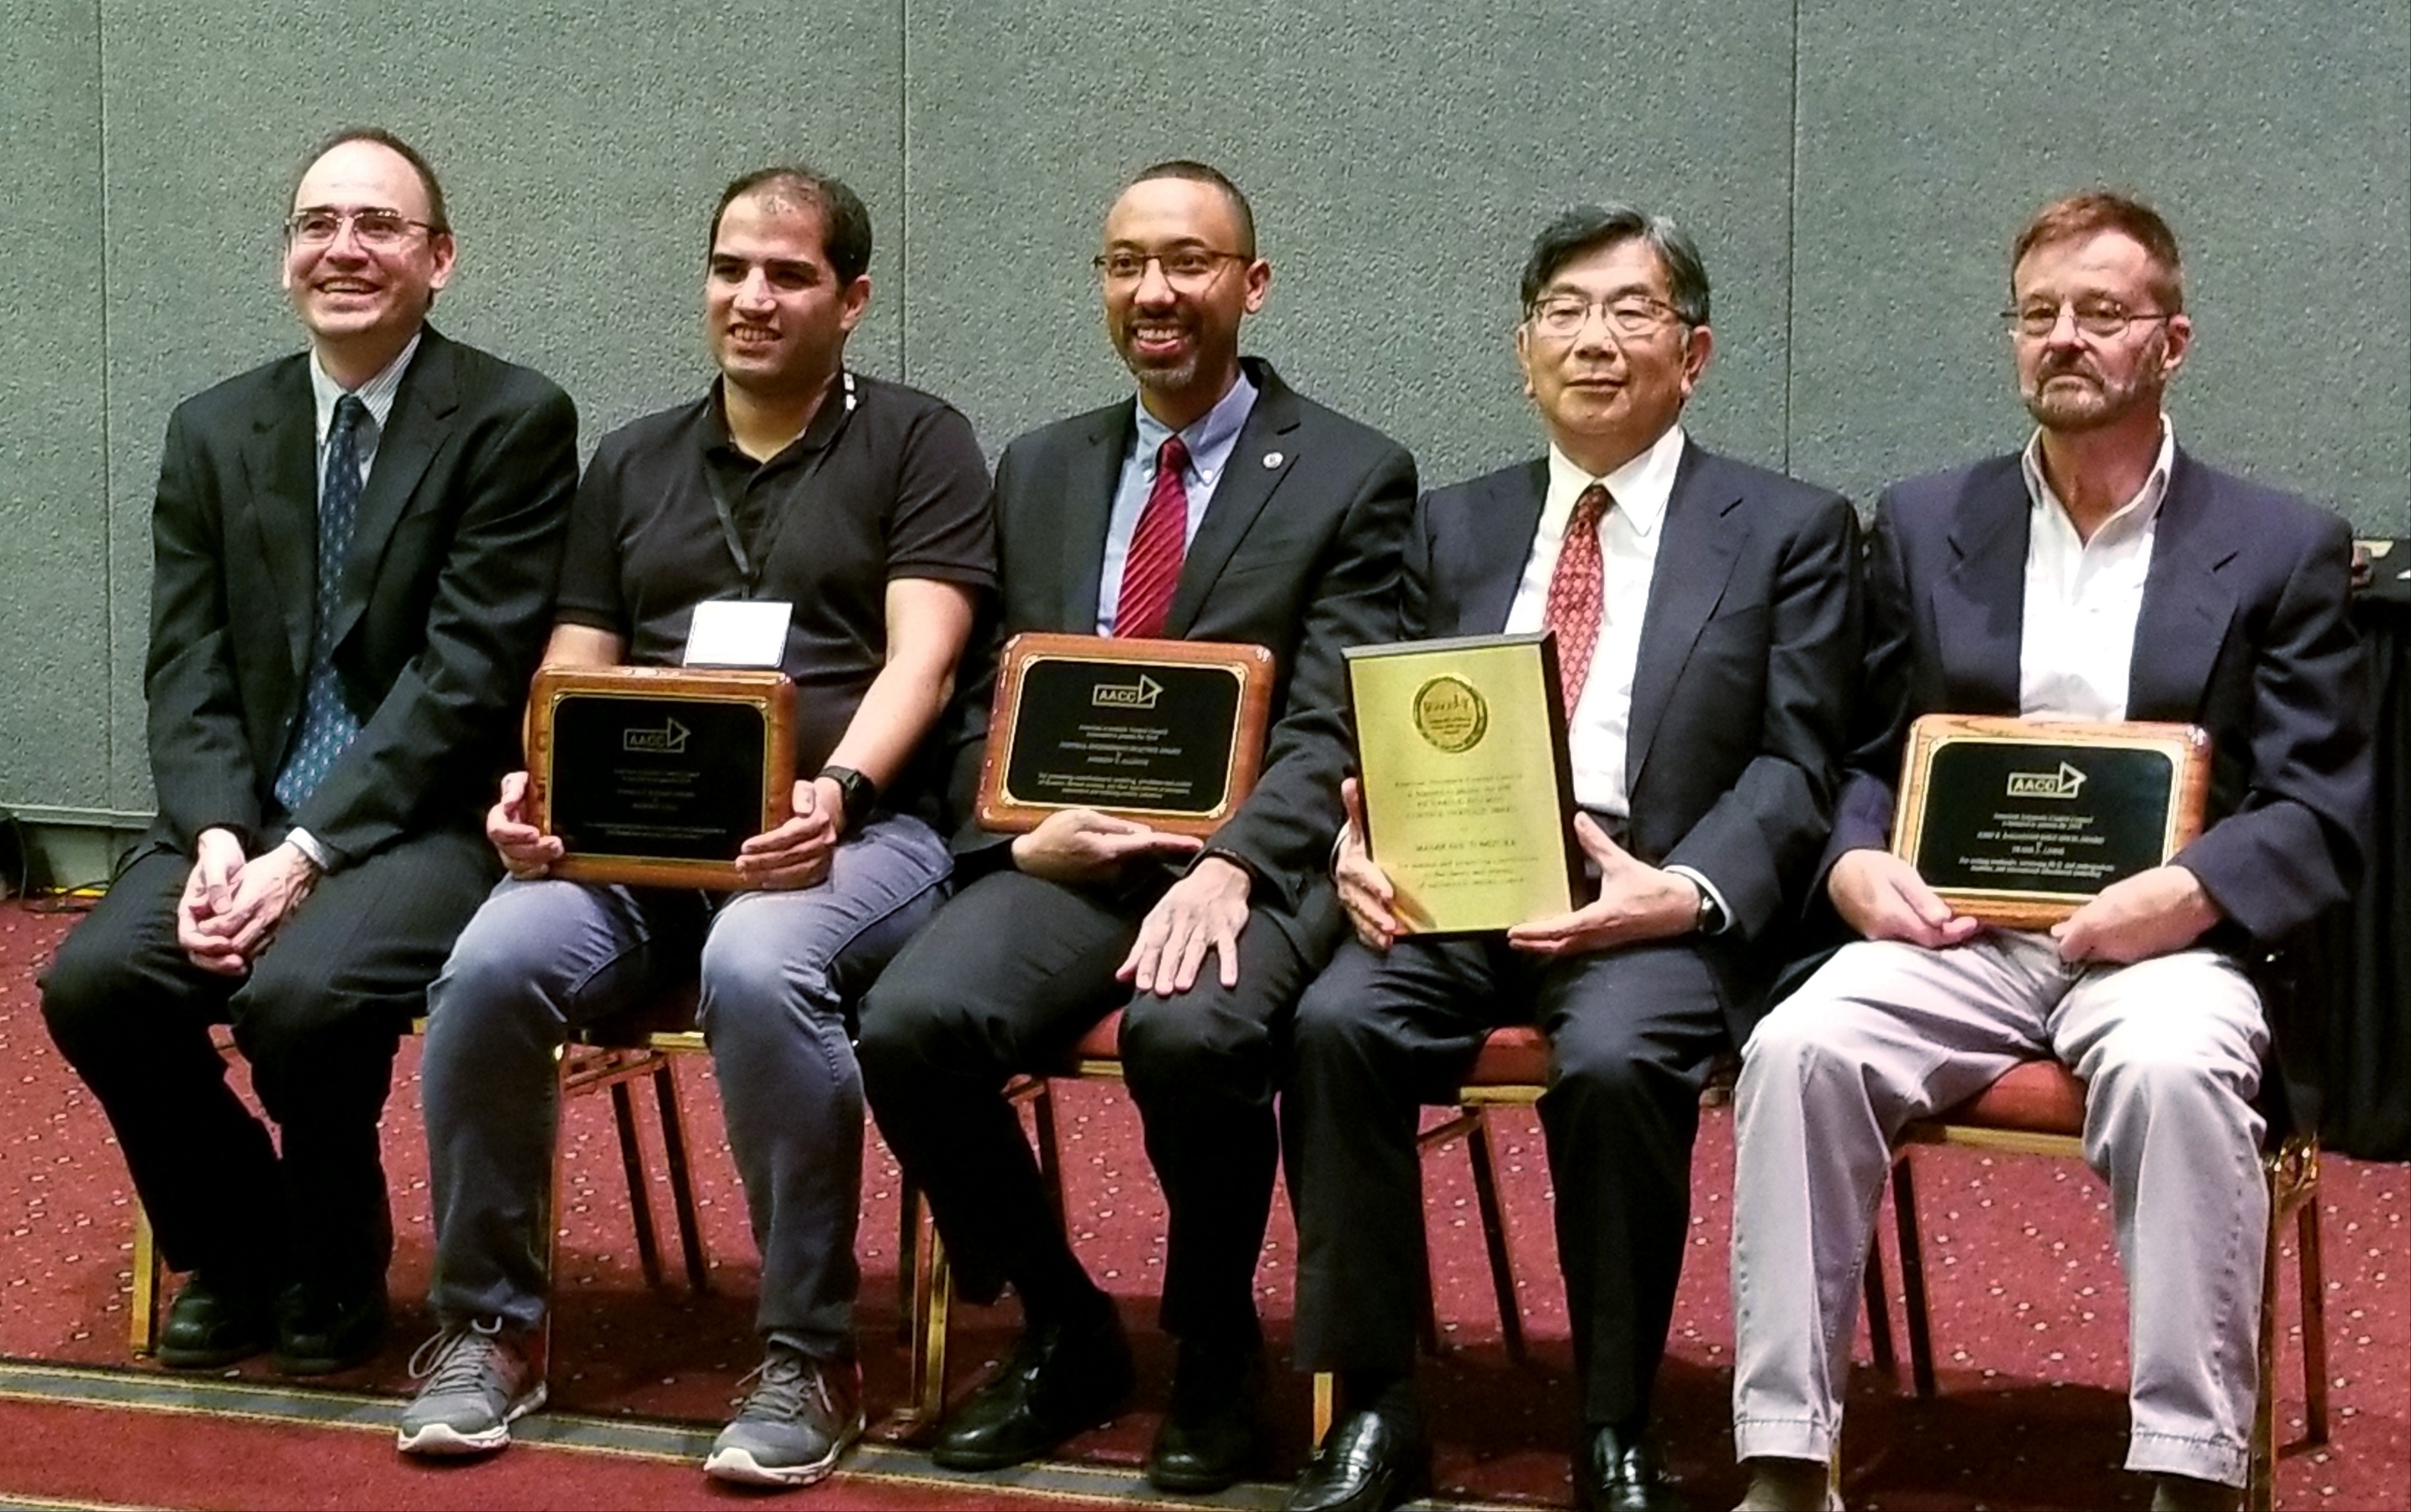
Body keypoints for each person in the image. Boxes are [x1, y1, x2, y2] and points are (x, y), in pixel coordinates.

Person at [1727, 192, 2369, 1512]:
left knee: (2176, 1066)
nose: (2065, 338)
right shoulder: (1922, 521)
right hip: (1954, 931)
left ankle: (2189, 1472)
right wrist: (1855, 864)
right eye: (2039, 314)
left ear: (2173, 342)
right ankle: (1784, 1459)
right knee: (1797, 1046)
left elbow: (2318, 806)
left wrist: (2184, 895)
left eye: (2103, 313)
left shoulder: (2283, 542)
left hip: (2168, 945)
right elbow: (1859, 755)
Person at [395, 165, 993, 1488]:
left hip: (852, 834)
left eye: (788, 275)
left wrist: (833, 795)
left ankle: (806, 1352)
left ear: (853, 298)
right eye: (731, 269)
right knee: (490, 965)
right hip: (634, 841)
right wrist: (532, 785)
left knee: (757, 966)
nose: (752, 298)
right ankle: (489, 1327)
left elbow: (925, 663)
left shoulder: (919, 441)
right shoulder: (635, 459)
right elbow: (577, 659)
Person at [1287, 203, 1861, 1512]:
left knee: (1609, 1065)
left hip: (1650, 897)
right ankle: (1373, 1409)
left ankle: (1614, 1421)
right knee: (1332, 1028)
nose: (1595, 341)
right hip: (1453, 885)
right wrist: (1355, 842)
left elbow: (1799, 761)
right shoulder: (1450, 527)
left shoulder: (1789, 529)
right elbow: (1367, 720)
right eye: (1565, 311)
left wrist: (1686, 890)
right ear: (1522, 348)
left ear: (1695, 353)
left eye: (1632, 311)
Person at [855, 160, 1417, 1494]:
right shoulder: (1043, 464)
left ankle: (1217, 1350)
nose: (1153, 291)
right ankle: (1064, 1324)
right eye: (1125, 264)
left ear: (1251, 284)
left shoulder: (1353, 473)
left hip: (1249, 867)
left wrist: (1231, 868)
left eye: (1188, 262)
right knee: (908, 1024)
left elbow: (1337, 715)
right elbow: (994, 685)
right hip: (1065, 855)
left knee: (1194, 1032)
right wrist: (1007, 841)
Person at [39, 129, 578, 1377]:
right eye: (317, 224)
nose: (345, 248)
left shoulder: (510, 418)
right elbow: (188, 666)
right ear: (287, 257)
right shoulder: (215, 428)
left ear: (439, 259)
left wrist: (306, 852)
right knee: (99, 986)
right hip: (241, 812)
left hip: (422, 821)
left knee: (302, 996)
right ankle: (240, 1245)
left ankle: (336, 1251)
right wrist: (222, 832)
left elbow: (469, 674)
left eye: (380, 226)